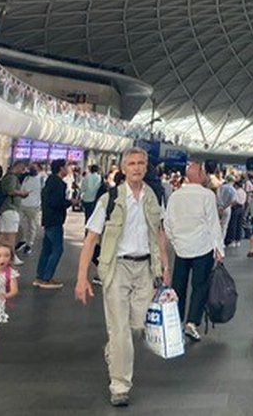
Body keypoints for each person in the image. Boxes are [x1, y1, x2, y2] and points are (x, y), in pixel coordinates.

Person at [74, 147, 171, 407]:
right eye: (132, 163)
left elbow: (159, 232)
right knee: (119, 330)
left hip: (145, 270)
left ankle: (113, 351)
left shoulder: (153, 197)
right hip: (117, 268)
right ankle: (119, 385)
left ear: (147, 166)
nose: (137, 168)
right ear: (123, 168)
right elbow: (90, 239)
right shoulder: (109, 199)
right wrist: (82, 277)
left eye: (141, 163)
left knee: (137, 328)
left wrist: (165, 265)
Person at [163, 162, 224, 342]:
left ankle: (177, 321)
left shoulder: (176, 196)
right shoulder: (207, 195)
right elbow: (213, 223)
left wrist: (174, 241)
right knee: (200, 286)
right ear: (198, 174)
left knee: (178, 286)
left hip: (181, 248)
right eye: (203, 172)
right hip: (202, 247)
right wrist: (219, 248)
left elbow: (168, 222)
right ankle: (192, 322)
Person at [34, 159, 76, 289]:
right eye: (66, 166)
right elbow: (56, 202)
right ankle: (47, 278)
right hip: (55, 220)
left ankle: (40, 276)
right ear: (61, 168)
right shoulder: (58, 183)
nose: (69, 169)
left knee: (47, 249)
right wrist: (69, 202)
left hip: (48, 219)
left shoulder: (50, 181)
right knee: (57, 249)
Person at [0, 243, 19, 364]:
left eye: (6, 255)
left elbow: (14, 290)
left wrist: (6, 295)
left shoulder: (9, 273)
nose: (3, 259)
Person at [0, 161, 29, 266]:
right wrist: (22, 193)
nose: (23, 171)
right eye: (23, 168)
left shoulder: (8, 177)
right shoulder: (12, 177)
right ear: (18, 166)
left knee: (4, 234)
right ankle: (12, 256)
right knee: (11, 235)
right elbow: (10, 191)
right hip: (10, 208)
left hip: (7, 209)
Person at [16, 162, 44, 256]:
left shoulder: (41, 179)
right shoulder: (26, 178)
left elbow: (43, 192)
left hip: (34, 206)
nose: (32, 169)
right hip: (23, 204)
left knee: (32, 226)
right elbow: (22, 189)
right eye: (31, 167)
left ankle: (29, 244)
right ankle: (23, 240)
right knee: (20, 223)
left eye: (34, 168)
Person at [216, 175, 236, 247]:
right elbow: (233, 201)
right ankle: (221, 242)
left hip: (218, 207)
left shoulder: (221, 187)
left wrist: (220, 206)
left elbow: (217, 196)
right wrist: (225, 206)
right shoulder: (233, 189)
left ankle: (215, 240)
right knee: (224, 226)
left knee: (217, 224)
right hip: (227, 208)